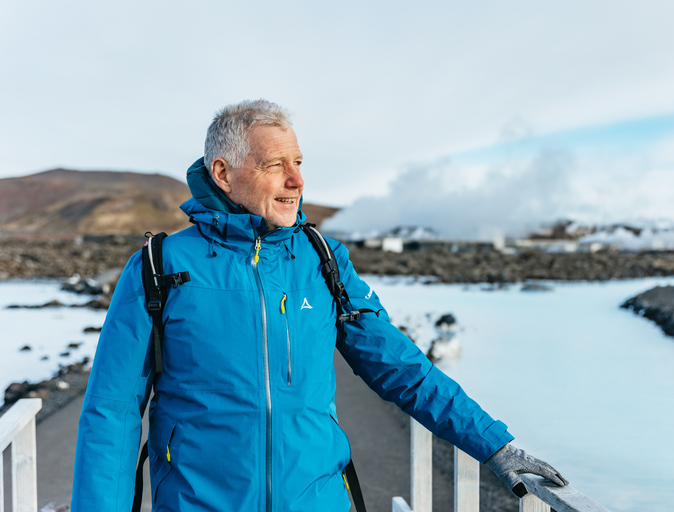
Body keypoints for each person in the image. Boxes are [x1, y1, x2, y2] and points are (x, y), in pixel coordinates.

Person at [72, 99, 567, 511]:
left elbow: (402, 368)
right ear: (222, 173)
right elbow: (111, 413)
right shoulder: (159, 266)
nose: (297, 181)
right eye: (275, 165)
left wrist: (494, 444)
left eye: (299, 163)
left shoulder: (323, 261)